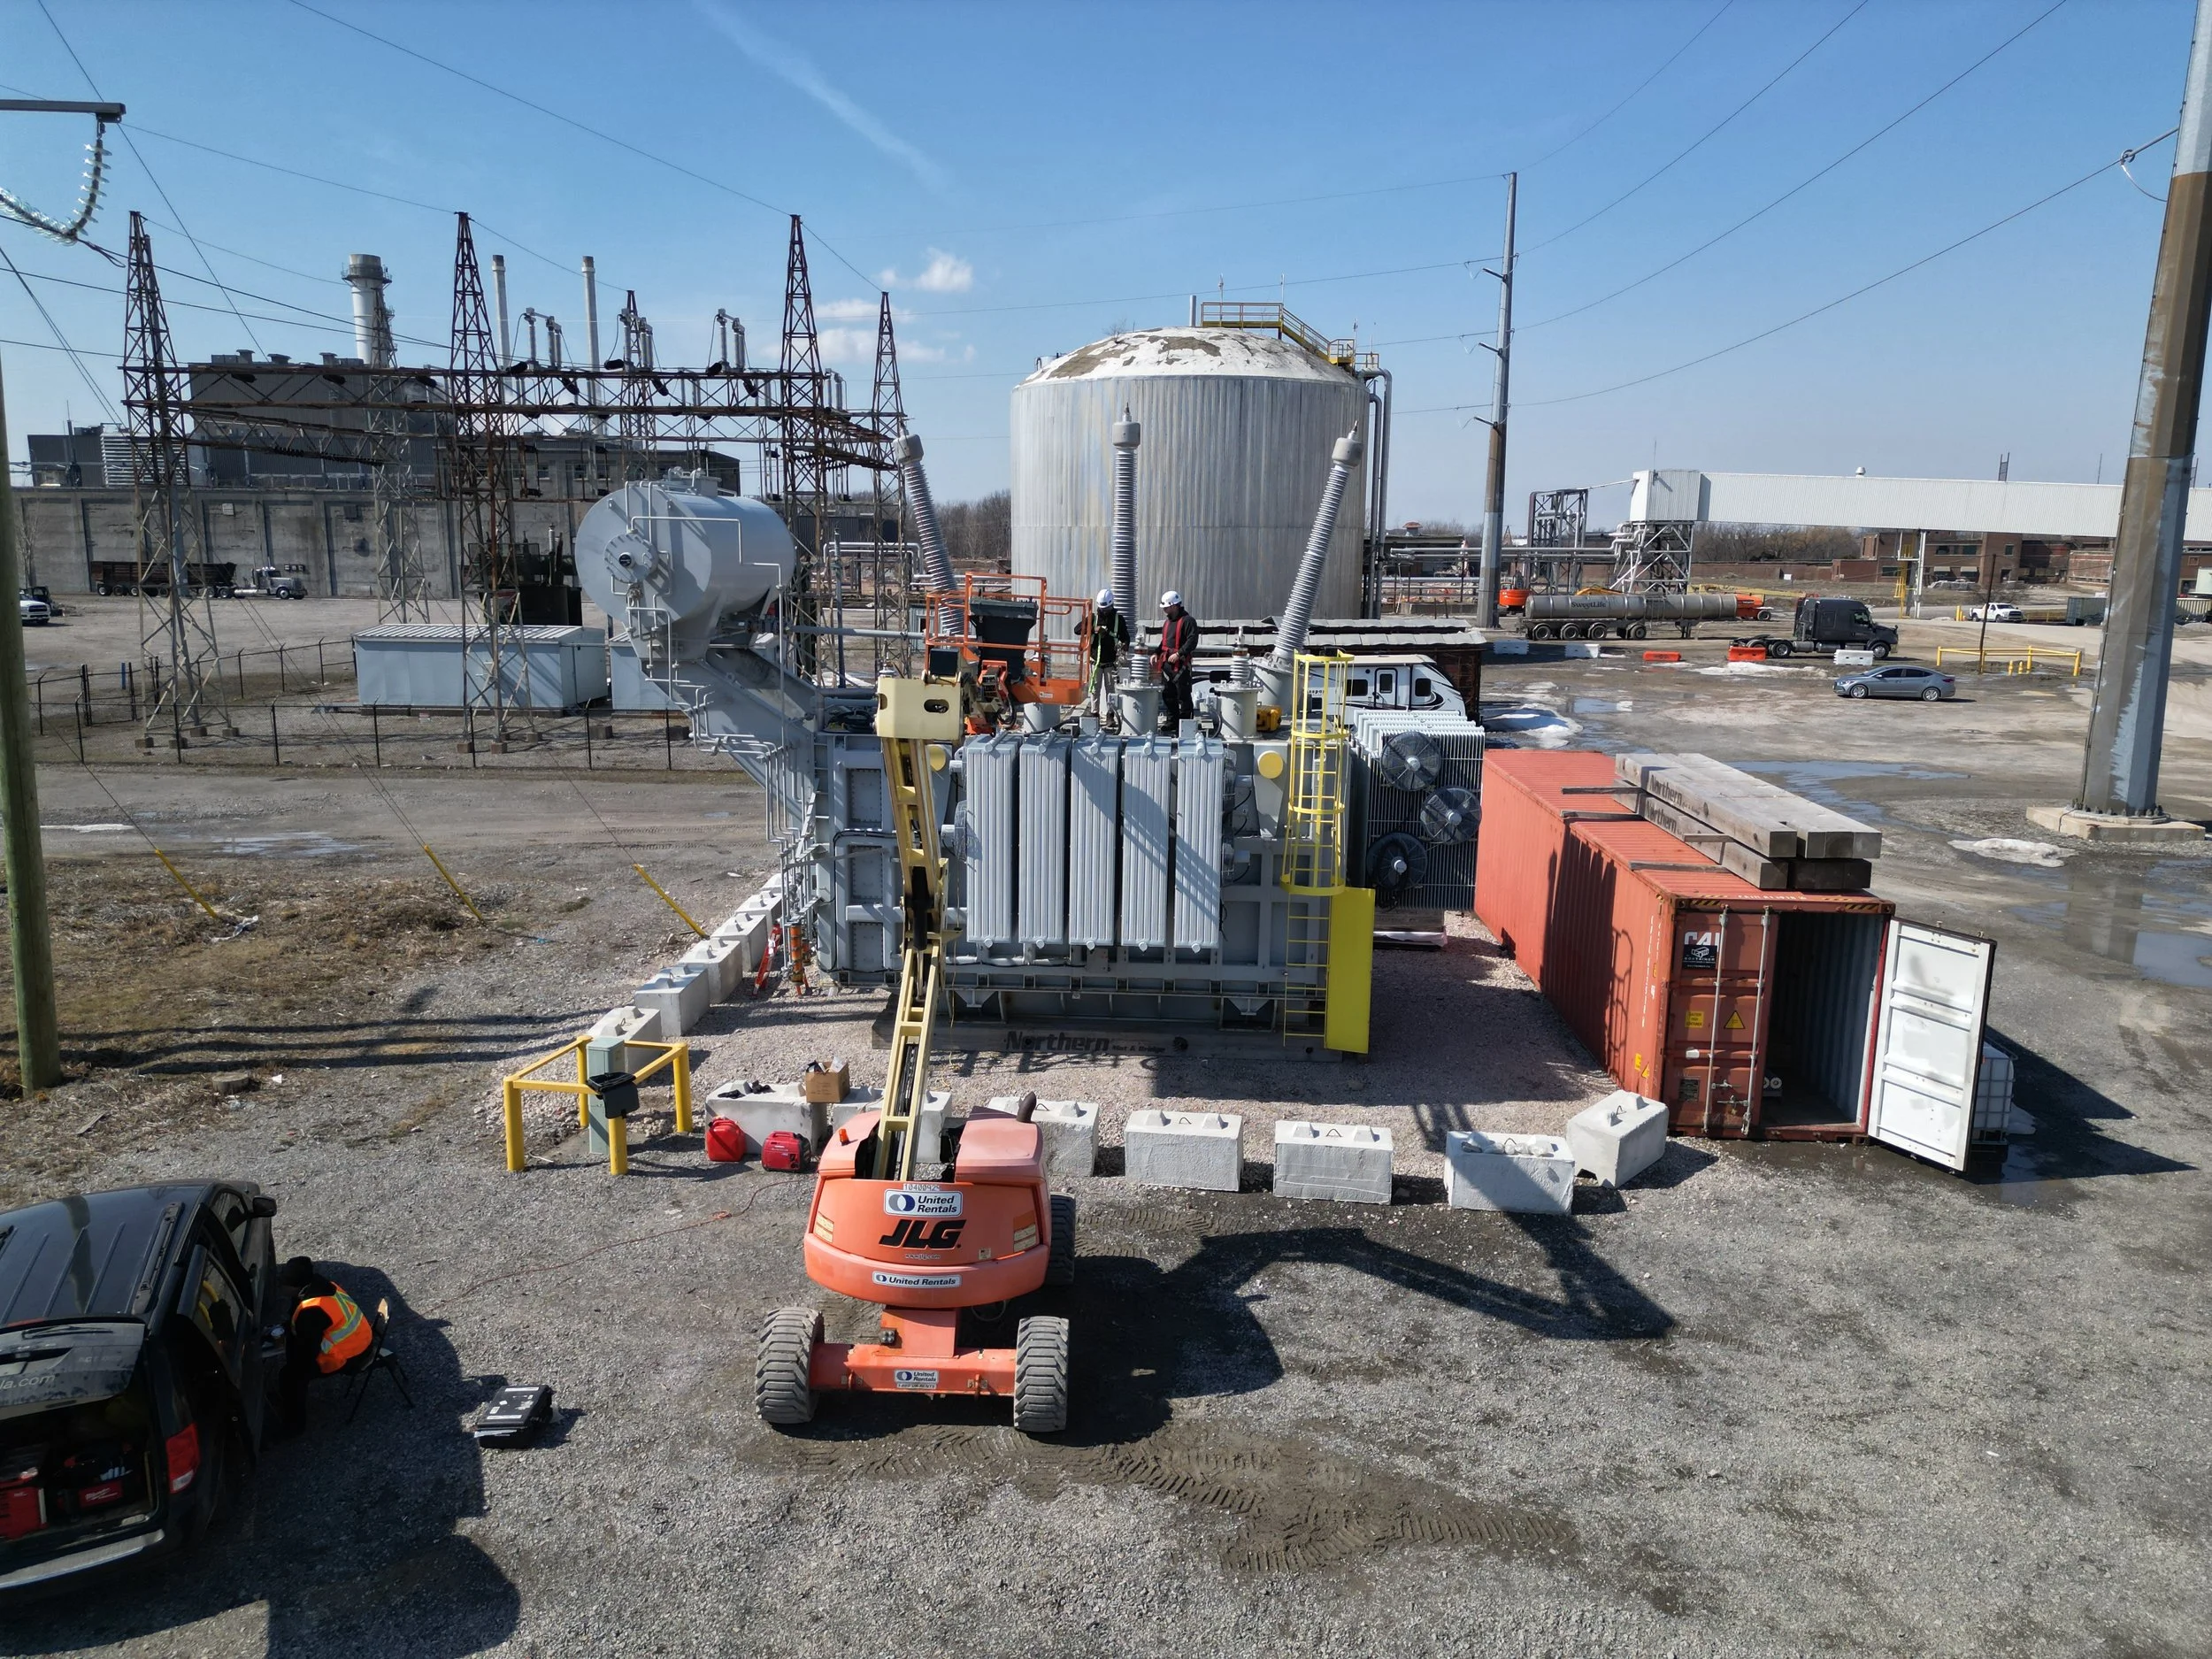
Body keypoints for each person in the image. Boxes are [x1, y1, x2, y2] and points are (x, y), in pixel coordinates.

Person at [278, 1256, 372, 1431]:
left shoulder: (311, 1311)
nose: (281, 1287)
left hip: (351, 1354)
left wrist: (290, 1355)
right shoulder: (322, 1286)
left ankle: (294, 1426)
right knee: (291, 1372)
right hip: (362, 1339)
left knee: (292, 1377)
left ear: (296, 1287)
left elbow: (307, 1352)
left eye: (284, 1284)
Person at [1080, 588, 1131, 720]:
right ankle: (1095, 715)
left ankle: (1110, 715)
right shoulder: (1093, 618)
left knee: (1111, 690)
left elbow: (1125, 637)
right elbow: (1077, 629)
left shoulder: (1118, 620)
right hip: (1095, 661)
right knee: (1095, 689)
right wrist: (1093, 629)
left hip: (1111, 662)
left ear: (1111, 605)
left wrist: (1125, 645)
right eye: (1102, 609)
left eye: (1107, 609)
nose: (1104, 611)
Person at [1153, 589, 1200, 730]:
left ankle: (1186, 725)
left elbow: (1192, 641)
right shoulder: (1168, 623)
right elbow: (1164, 642)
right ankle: (1172, 721)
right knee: (1168, 694)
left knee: (1183, 695)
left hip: (1181, 666)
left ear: (1174, 606)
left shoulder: (1188, 621)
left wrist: (1179, 654)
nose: (1164, 610)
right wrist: (1156, 653)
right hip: (1167, 665)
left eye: (1166, 607)